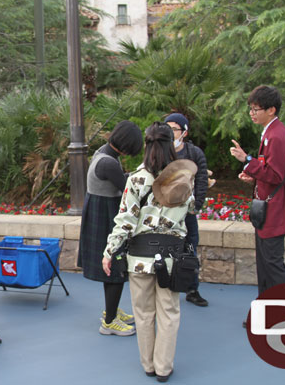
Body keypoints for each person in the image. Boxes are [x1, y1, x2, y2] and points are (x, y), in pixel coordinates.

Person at [102, 122, 196, 382]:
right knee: (169, 312)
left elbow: (125, 220)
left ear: (146, 145)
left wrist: (109, 252)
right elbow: (190, 212)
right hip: (171, 259)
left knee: (143, 313)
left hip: (139, 259)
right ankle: (164, 368)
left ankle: (148, 365)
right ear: (171, 145)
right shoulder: (184, 179)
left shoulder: (135, 180)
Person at [230, 85, 285, 323]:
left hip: (275, 211)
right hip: (270, 210)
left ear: (271, 110)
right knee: (265, 264)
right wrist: (253, 172)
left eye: (256, 108)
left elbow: (275, 175)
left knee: (272, 265)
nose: (252, 113)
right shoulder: (271, 133)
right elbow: (270, 171)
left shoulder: (276, 136)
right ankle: (263, 315)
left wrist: (247, 160)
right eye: (250, 108)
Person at [78, 120, 143, 336]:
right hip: (105, 214)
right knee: (115, 267)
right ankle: (109, 322)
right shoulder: (108, 163)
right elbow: (129, 188)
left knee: (113, 267)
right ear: (126, 145)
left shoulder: (102, 152)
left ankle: (111, 311)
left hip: (101, 210)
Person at [164, 113, 209, 307]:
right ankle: (166, 285)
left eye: (174, 129)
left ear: (184, 131)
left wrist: (196, 205)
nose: (170, 133)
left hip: (187, 211)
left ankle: (192, 289)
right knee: (166, 248)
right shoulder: (160, 152)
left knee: (190, 247)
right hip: (166, 212)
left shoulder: (194, 152)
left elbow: (202, 179)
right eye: (167, 128)